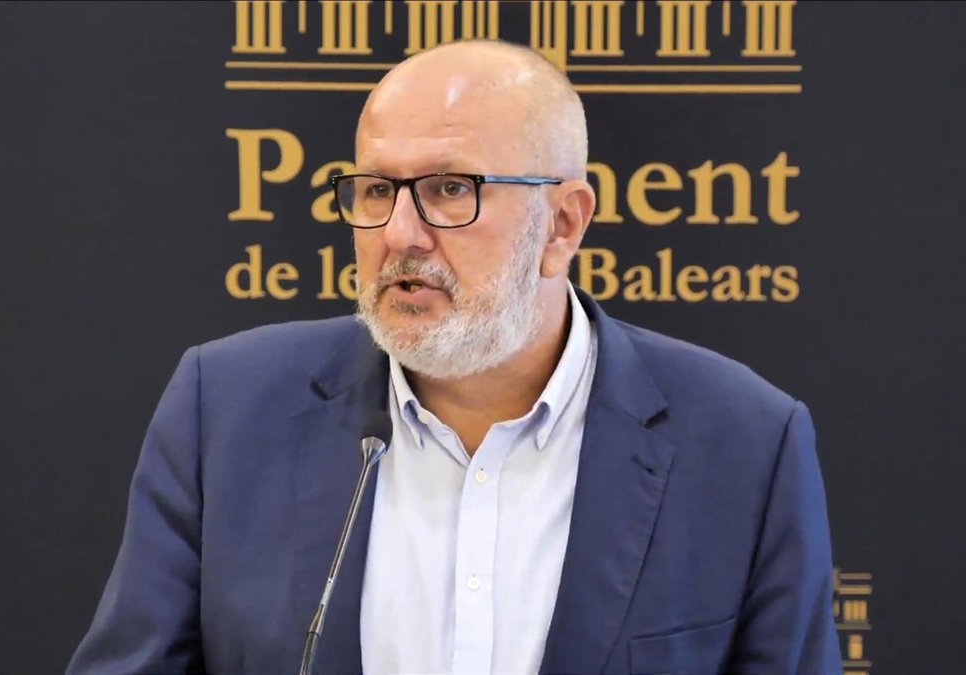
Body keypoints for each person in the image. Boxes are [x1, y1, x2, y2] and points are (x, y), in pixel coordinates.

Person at [68, 39, 840, 675]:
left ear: (562, 225)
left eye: (448, 189)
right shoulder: (226, 409)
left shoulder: (745, 442)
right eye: (376, 190)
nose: (399, 234)